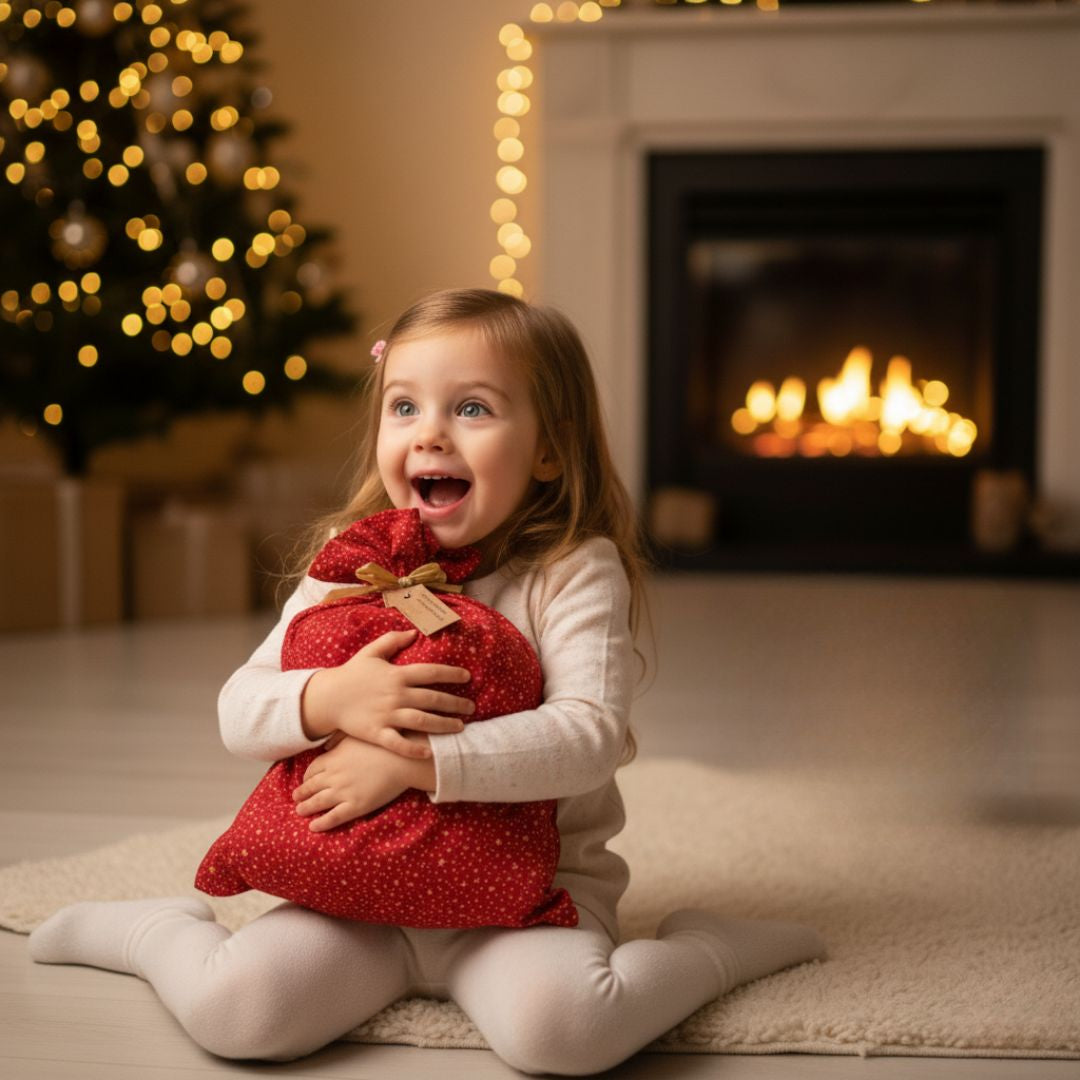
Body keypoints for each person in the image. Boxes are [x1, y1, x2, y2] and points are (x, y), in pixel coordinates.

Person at [29, 288, 825, 1074]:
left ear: (550, 447)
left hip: (527, 900)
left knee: (564, 1032)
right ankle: (155, 931)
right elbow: (239, 709)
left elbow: (587, 737)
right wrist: (326, 697)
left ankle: (710, 951)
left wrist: (413, 763)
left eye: (472, 409)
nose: (431, 434)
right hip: (358, 891)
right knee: (238, 1013)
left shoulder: (571, 570)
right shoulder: (354, 560)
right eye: (404, 408)